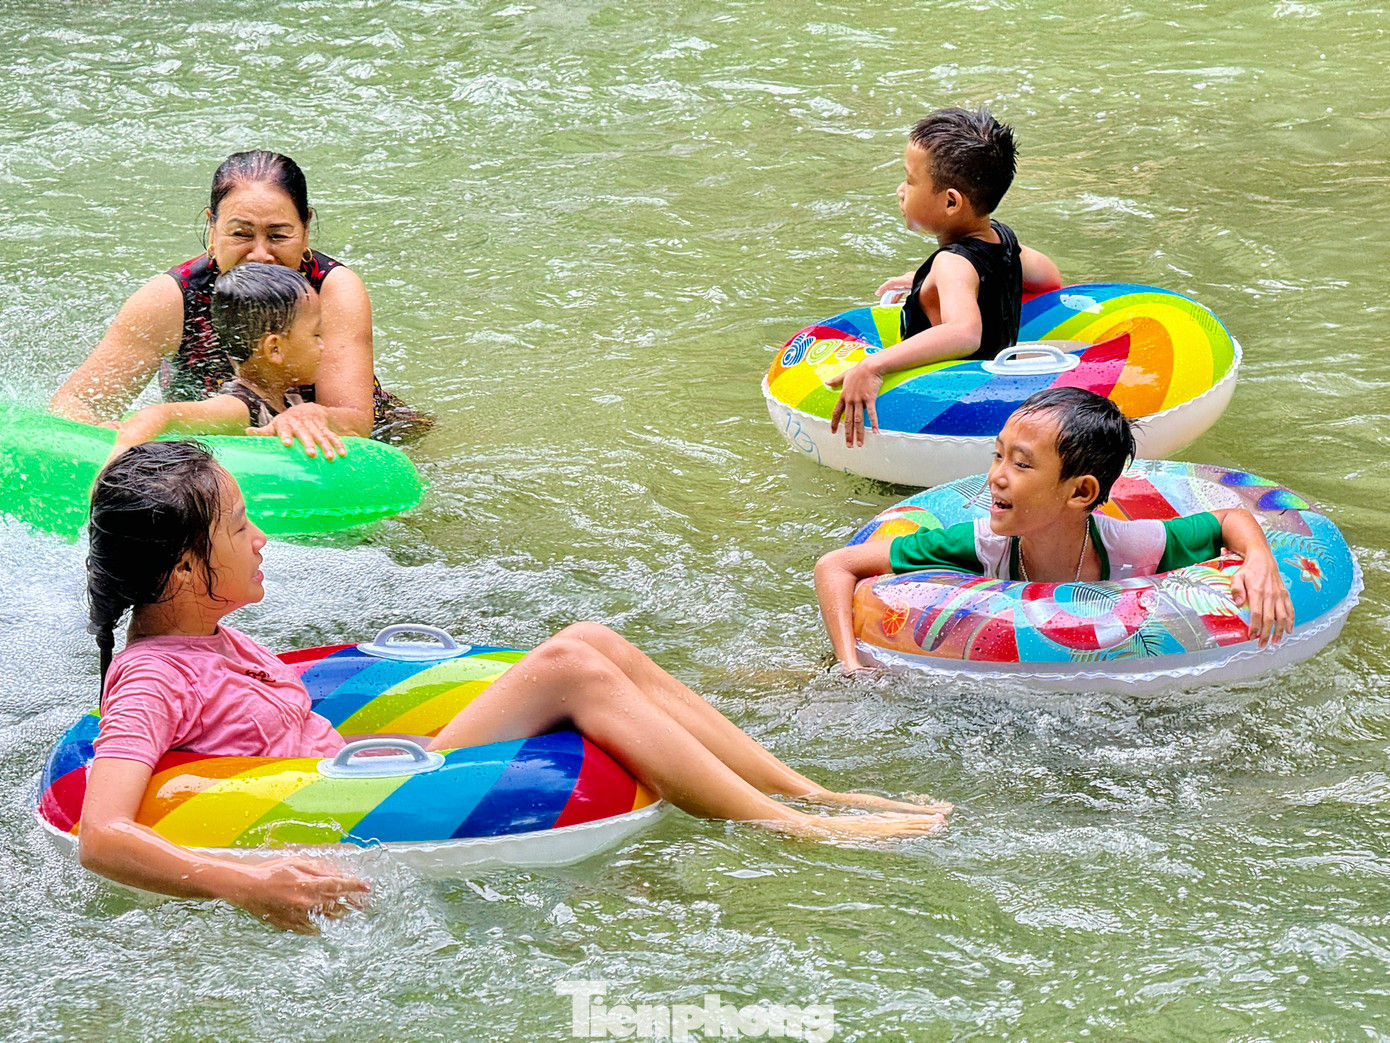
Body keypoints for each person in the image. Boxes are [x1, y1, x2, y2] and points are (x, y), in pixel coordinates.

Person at [79, 444, 951, 933]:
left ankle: (807, 789)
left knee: (590, 640)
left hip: (369, 764)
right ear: (188, 570)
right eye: (241, 525)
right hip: (359, 795)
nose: (263, 536)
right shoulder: (154, 679)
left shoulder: (212, 634)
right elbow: (103, 835)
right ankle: (798, 831)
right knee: (571, 668)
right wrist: (245, 882)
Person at [816, 388, 1295, 671]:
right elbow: (836, 565)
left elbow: (1230, 518)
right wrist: (849, 665)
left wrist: (1260, 560)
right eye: (998, 454)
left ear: (1081, 493)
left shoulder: (1131, 547)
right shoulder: (982, 546)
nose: (997, 476)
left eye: (1022, 464)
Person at [50, 150, 426, 444]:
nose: (260, 254)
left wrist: (312, 416)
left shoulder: (331, 290)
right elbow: (75, 402)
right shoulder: (172, 299)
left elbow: (354, 418)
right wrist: (106, 431)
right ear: (212, 228)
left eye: (278, 236)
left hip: (370, 442)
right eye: (242, 234)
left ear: (306, 229)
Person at [830, 108, 1063, 448]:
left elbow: (964, 333)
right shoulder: (1004, 239)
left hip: (943, 415)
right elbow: (1049, 278)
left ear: (951, 202)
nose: (900, 190)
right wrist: (929, 284)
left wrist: (872, 366)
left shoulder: (952, 264)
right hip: (997, 398)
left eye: (910, 180)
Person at [107, 263, 349, 461]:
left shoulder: (285, 397)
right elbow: (164, 415)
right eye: (316, 335)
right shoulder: (238, 408)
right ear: (274, 349)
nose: (323, 345)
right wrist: (118, 455)